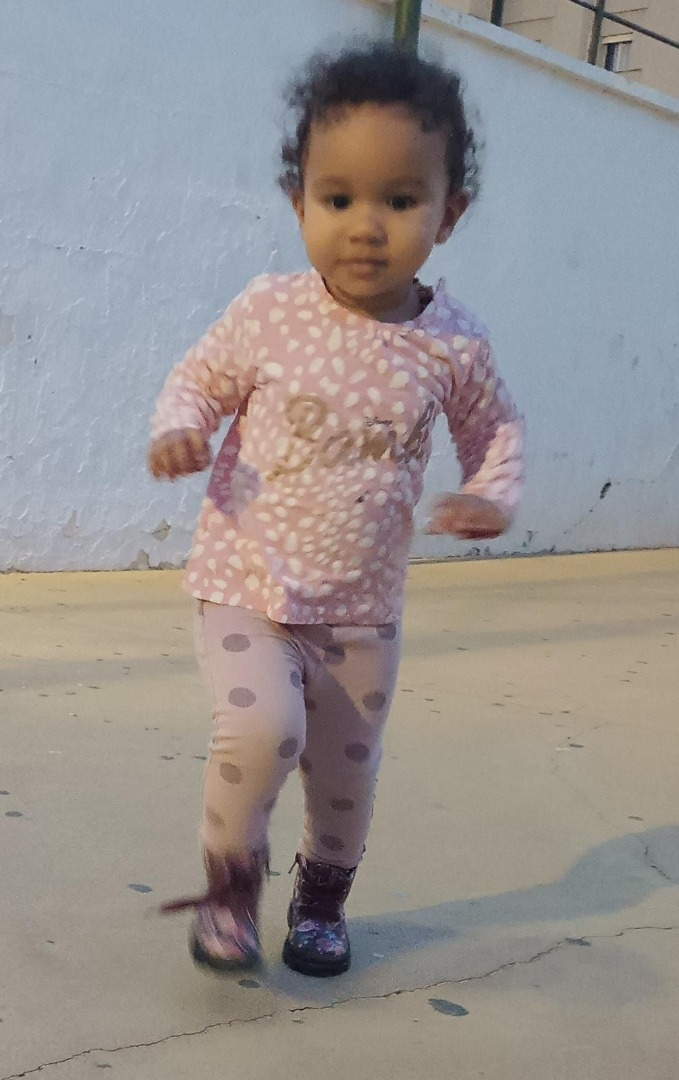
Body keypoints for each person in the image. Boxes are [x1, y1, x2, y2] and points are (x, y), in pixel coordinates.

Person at [147, 40, 524, 978]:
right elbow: (197, 381)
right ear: (299, 203)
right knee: (260, 731)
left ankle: (320, 903)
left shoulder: (453, 345)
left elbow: (494, 431)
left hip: (362, 612)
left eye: (398, 200)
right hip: (248, 585)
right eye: (338, 198)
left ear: (448, 214)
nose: (365, 227)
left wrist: (489, 492)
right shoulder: (268, 312)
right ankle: (230, 892)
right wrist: (180, 427)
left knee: (346, 778)